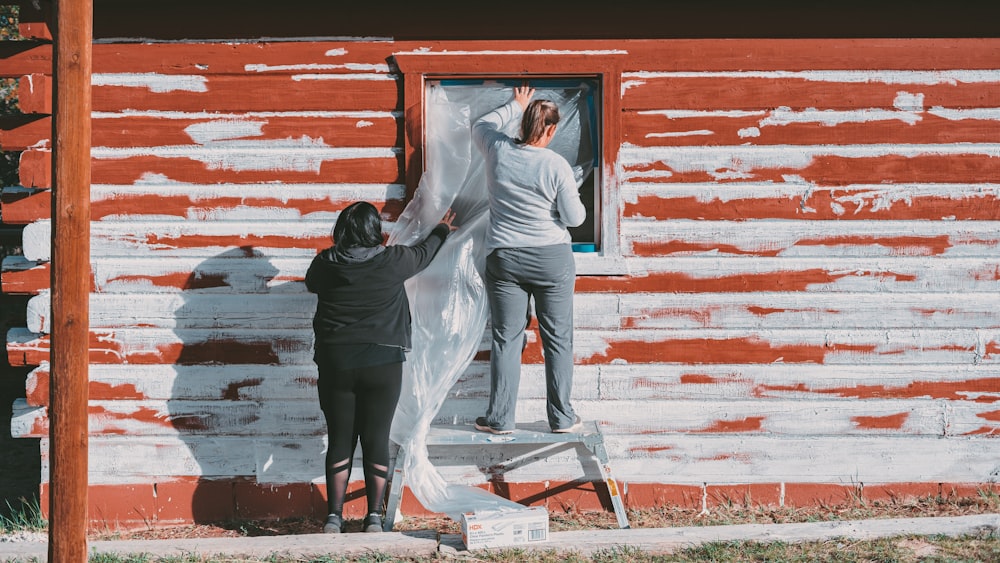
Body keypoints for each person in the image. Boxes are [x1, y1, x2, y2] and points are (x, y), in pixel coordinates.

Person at [305, 201, 456, 534]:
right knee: (376, 439)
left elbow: (311, 284)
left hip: (336, 363)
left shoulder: (325, 264)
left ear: (341, 230)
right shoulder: (393, 261)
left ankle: (334, 517)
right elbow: (425, 252)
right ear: (375, 231)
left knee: (340, 440)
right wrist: (443, 227)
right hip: (383, 364)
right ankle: (373, 517)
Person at [471, 85, 587, 435]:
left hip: (505, 257)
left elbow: (480, 125)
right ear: (551, 130)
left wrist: (513, 105)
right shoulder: (557, 165)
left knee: (507, 338)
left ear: (524, 123)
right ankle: (562, 417)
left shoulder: (498, 149)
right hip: (550, 258)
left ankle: (500, 419)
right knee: (558, 338)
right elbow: (575, 218)